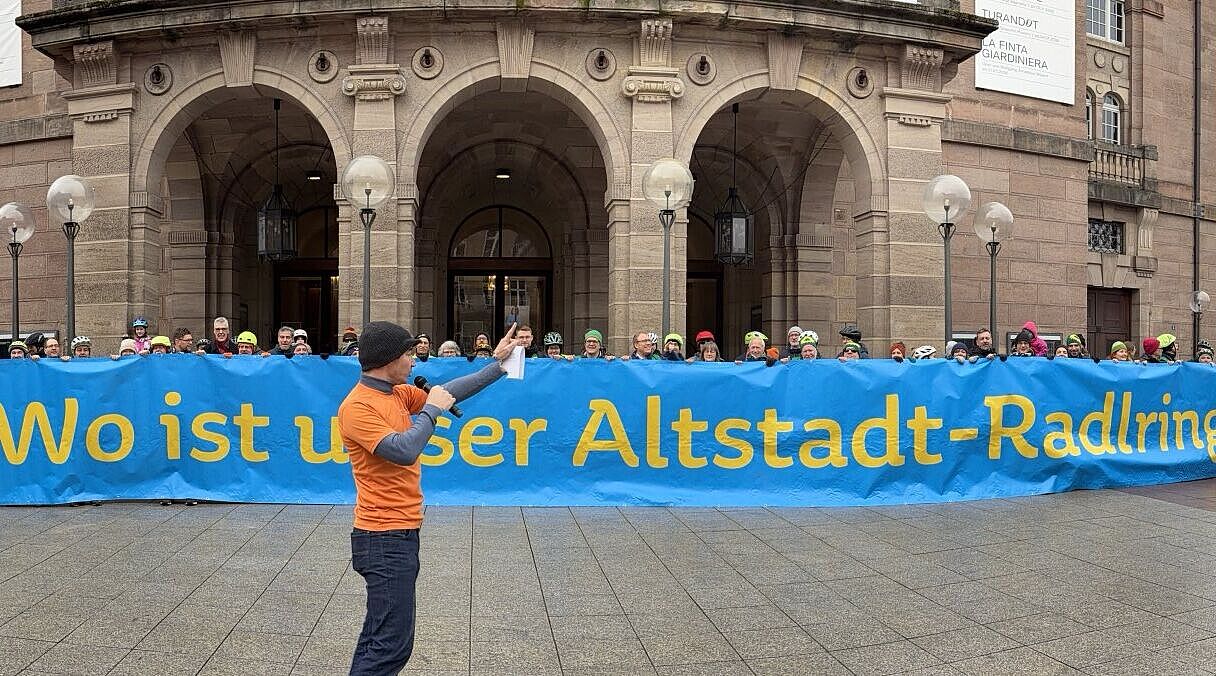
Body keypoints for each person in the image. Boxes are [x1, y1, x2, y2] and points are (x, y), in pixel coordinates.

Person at [338, 321, 521, 674]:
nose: (413, 360)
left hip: (399, 533)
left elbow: (448, 392)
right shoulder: (357, 406)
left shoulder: (395, 393)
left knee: (380, 637)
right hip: (382, 536)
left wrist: (497, 365)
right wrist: (431, 411)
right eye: (408, 354)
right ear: (389, 359)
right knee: (391, 646)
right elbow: (404, 450)